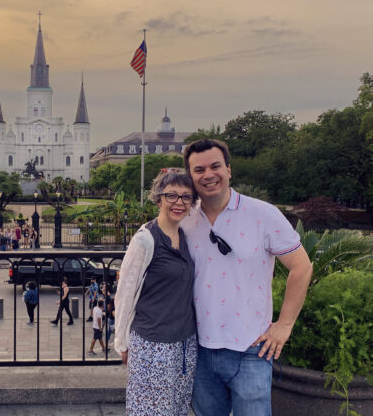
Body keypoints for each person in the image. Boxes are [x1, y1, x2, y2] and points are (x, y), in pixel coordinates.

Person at [181, 139, 313, 416]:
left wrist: (284, 325)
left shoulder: (262, 214)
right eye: (199, 169)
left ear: (229, 169)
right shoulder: (185, 220)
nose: (208, 175)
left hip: (252, 349)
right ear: (191, 177)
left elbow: (301, 267)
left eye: (215, 166)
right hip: (201, 348)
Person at [114, 169, 198, 415]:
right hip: (153, 344)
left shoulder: (185, 236)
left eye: (186, 197)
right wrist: (122, 343)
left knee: (177, 408)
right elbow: (125, 293)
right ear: (158, 198)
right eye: (171, 195)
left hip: (184, 343)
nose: (179, 202)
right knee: (151, 410)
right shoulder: (145, 240)